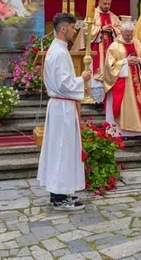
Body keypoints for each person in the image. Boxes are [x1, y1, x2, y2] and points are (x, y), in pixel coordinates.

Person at [37, 13, 92, 211]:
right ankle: (59, 197)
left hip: (62, 106)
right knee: (61, 149)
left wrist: (78, 84)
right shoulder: (59, 53)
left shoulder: (58, 50)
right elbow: (64, 83)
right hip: (62, 108)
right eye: (72, 27)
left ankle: (62, 192)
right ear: (63, 29)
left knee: (63, 149)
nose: (75, 30)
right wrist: (82, 78)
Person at [102, 21, 141, 140]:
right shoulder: (114, 46)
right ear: (121, 32)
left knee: (140, 106)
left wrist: (139, 61)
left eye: (131, 34)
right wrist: (125, 62)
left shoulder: (137, 43)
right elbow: (109, 66)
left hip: (137, 80)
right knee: (125, 107)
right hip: (123, 82)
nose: (129, 37)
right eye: (127, 34)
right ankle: (124, 132)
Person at [72, 0, 122, 104]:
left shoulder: (113, 17)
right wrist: (100, 29)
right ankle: (95, 100)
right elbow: (86, 29)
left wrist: (113, 30)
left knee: (108, 72)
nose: (107, 6)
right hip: (96, 50)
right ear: (99, 2)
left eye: (109, 4)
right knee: (95, 73)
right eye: (104, 3)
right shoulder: (92, 15)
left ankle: (107, 100)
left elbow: (120, 31)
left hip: (109, 51)